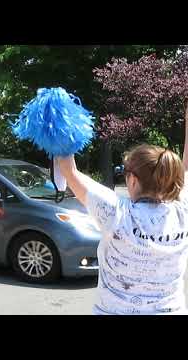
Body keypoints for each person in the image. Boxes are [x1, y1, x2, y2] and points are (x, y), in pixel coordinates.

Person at [55, 101, 188, 315]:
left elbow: (69, 171)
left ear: (133, 180)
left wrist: (59, 124)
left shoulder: (116, 213)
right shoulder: (183, 210)